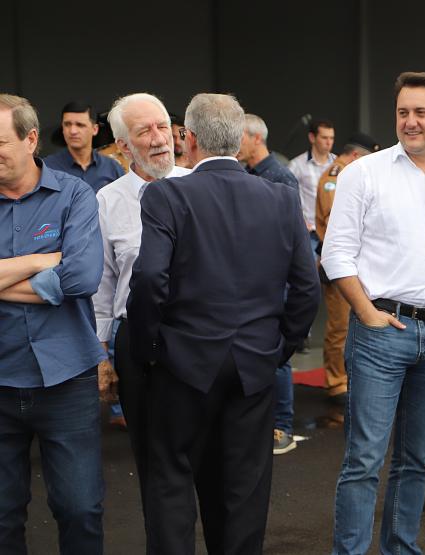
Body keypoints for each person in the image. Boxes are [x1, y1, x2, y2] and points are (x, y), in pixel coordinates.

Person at [127, 93, 320, 554]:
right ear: (239, 140)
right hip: (253, 365)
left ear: (187, 139)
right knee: (243, 493)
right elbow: (307, 287)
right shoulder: (279, 196)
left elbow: (151, 276)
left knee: (171, 481)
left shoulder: (166, 194)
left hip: (182, 363)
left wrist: (149, 347)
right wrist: (280, 348)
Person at [322, 71, 425, 555]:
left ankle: (401, 549)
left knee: (415, 460)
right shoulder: (363, 173)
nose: (410, 122)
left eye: (420, 112)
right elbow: (337, 254)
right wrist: (367, 314)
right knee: (364, 460)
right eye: (402, 112)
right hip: (380, 334)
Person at [0, 94, 106, 554]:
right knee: (2, 514)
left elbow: (82, 276)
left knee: (80, 509)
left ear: (29, 139)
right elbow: (64, 271)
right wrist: (43, 260)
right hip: (1, 379)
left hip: (65, 378)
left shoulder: (74, 194)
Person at [93, 92, 192, 510]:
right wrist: (100, 353)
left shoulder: (199, 186)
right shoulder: (108, 201)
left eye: (163, 127)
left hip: (198, 337)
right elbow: (102, 285)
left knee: (209, 458)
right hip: (137, 345)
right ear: (123, 146)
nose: (159, 139)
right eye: (144, 131)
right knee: (155, 465)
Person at [237, 112, 303, 454]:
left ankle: (282, 427)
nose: (236, 144)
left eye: (240, 138)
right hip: (253, 283)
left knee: (278, 358)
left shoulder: (280, 178)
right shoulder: (248, 174)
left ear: (256, 138)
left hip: (276, 282)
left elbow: (286, 240)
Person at [314, 132, 379, 407]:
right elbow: (333, 224)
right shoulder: (336, 176)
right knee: (340, 326)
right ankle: (336, 381)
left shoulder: (345, 173)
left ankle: (347, 378)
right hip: (342, 264)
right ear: (355, 156)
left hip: (357, 264)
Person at [43, 100, 125, 192]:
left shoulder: (112, 167)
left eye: (80, 125)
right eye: (67, 124)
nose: (73, 131)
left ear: (94, 129)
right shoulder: (47, 168)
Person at [289, 119, 336, 254]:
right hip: (310, 233)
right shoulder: (296, 165)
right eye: (324, 137)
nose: (329, 142)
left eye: (332, 138)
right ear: (312, 137)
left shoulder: (338, 165)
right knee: (309, 273)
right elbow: (288, 198)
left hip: (332, 232)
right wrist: (300, 221)